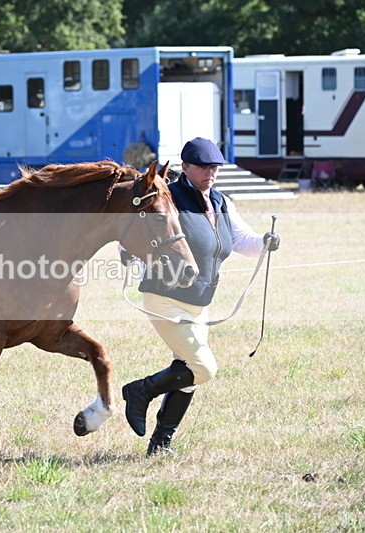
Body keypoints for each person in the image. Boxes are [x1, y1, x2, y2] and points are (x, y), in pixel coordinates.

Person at [120, 137, 281, 456]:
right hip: (164, 297)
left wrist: (264, 241)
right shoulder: (169, 197)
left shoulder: (221, 202)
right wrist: (127, 253)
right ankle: (139, 391)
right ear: (185, 167)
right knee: (203, 367)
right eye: (204, 167)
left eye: (215, 167)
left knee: (188, 372)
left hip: (199, 302)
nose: (211, 173)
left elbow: (240, 240)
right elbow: (134, 233)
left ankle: (160, 444)